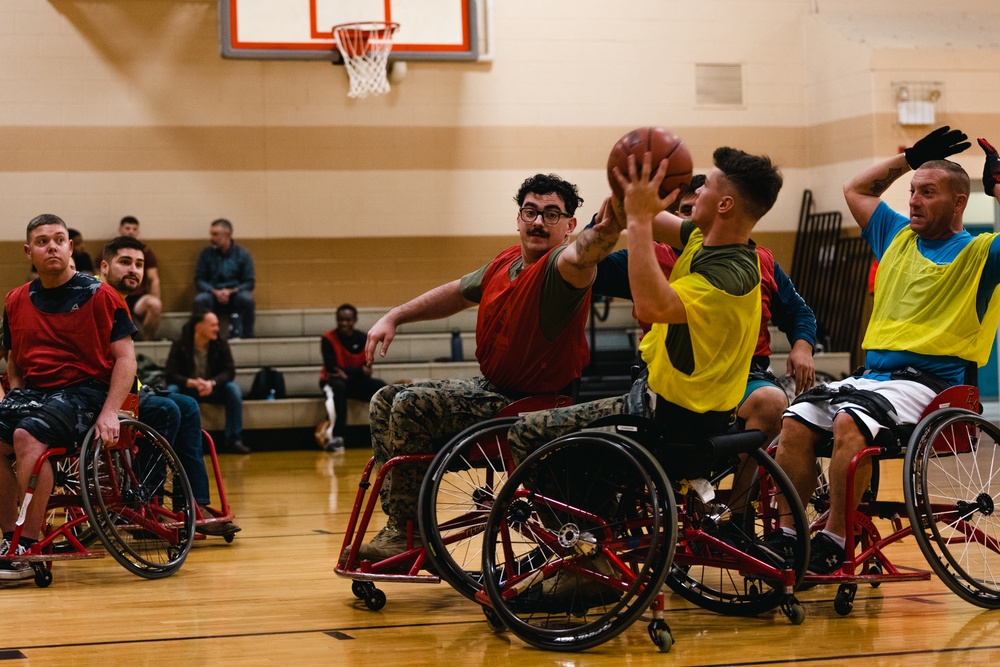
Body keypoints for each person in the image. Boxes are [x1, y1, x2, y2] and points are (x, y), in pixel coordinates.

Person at [352, 173, 625, 564]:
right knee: (384, 399)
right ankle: (404, 524)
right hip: (494, 390)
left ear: (568, 227)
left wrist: (611, 223)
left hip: (533, 401)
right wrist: (395, 315)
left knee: (411, 403)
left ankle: (410, 535)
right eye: (531, 211)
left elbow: (587, 252)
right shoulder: (506, 261)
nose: (537, 222)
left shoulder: (562, 268)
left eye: (551, 215)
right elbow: (456, 292)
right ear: (518, 218)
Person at [770, 126, 1000, 575]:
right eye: (913, 191)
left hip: (932, 385)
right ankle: (790, 537)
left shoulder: (981, 253)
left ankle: (836, 539)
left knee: (848, 420)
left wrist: (997, 189)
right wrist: (910, 158)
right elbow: (856, 188)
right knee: (795, 421)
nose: (913, 199)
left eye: (927, 193)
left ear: (958, 202)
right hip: (874, 379)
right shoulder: (895, 235)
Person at [508, 147, 783, 508]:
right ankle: (605, 518)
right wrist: (630, 189)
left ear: (725, 205)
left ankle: (582, 542)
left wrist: (636, 220)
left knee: (526, 432)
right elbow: (647, 217)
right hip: (678, 411)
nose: (696, 190)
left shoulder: (727, 277)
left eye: (708, 186)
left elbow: (650, 304)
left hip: (665, 422)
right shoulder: (711, 239)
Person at [593, 173, 817, 445]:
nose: (690, 217)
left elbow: (799, 311)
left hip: (744, 373)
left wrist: (803, 346)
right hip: (674, 374)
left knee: (770, 401)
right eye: (685, 210)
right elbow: (593, 271)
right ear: (675, 215)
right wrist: (603, 221)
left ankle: (744, 488)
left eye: (697, 206)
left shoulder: (755, 261)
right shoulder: (650, 255)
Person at [0, 214, 136, 579]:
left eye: (59, 239)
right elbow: (14, 361)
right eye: (42, 242)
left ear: (70, 247)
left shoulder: (100, 294)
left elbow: (126, 359)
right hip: (37, 394)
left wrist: (110, 412)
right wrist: (15, 394)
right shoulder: (15, 300)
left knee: (26, 435)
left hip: (86, 393)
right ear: (30, 252)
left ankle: (29, 546)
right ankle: (9, 536)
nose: (52, 246)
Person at [100, 236, 240, 536]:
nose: (133, 270)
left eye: (139, 264)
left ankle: (192, 502)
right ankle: (143, 503)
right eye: (125, 262)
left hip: (131, 390)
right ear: (104, 266)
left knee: (187, 406)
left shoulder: (121, 302)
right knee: (167, 409)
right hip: (104, 395)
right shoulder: (98, 300)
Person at [164, 309, 249, 455]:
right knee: (172, 391)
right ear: (199, 327)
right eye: (213, 325)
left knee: (233, 389)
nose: (217, 328)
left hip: (213, 388)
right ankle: (171, 441)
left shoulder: (220, 343)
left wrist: (212, 383)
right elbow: (170, 374)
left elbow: (229, 371)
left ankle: (233, 440)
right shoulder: (180, 344)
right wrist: (190, 382)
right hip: (189, 389)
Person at [318, 304, 386, 453]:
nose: (344, 323)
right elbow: (332, 369)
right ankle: (337, 437)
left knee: (381, 388)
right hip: (331, 383)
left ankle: (386, 435)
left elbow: (367, 371)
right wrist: (358, 371)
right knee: (339, 387)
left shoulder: (363, 338)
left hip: (353, 382)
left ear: (354, 320)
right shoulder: (328, 339)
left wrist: (347, 372)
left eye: (348, 320)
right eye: (341, 320)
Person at [194, 218, 255, 339]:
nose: (211, 237)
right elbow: (199, 279)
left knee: (247, 300)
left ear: (228, 234)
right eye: (211, 234)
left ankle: (248, 336)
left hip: (235, 295)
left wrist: (231, 291)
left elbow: (249, 282)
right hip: (213, 294)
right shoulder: (206, 254)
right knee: (200, 300)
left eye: (215, 234)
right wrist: (214, 291)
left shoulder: (243, 255)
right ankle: (204, 336)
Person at [117, 216, 163, 341]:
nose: (131, 231)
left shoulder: (145, 252)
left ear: (138, 232)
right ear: (120, 230)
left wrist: (155, 299)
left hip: (137, 297)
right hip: (115, 296)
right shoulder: (110, 251)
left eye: (134, 229)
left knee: (155, 304)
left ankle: (147, 343)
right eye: (127, 228)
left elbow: (154, 279)